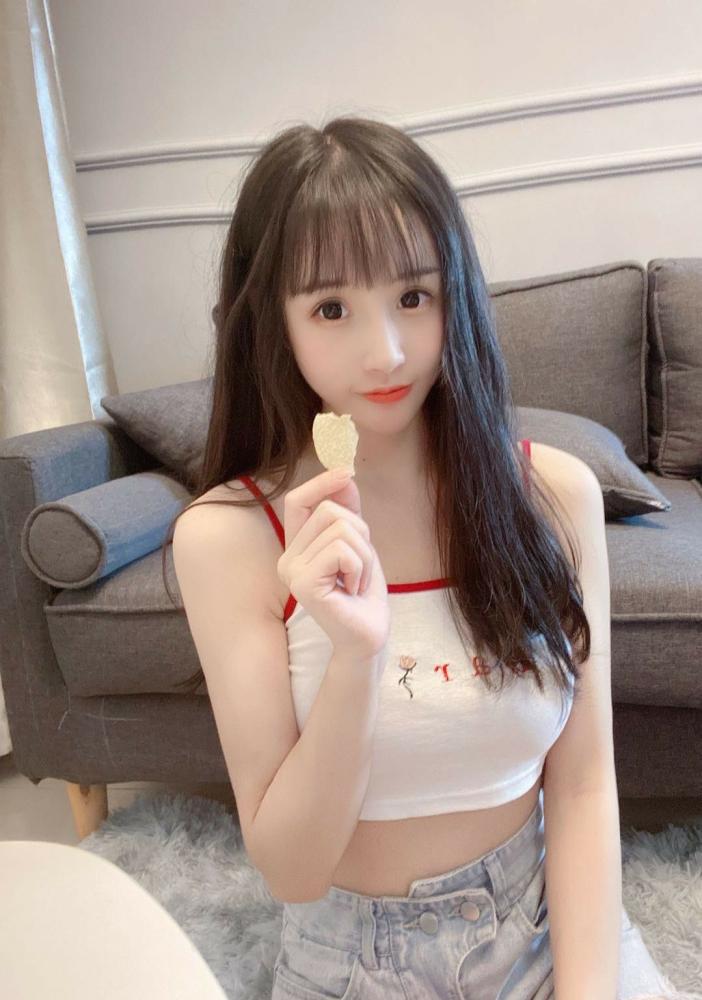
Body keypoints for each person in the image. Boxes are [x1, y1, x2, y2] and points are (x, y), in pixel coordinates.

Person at [165, 117, 677, 998]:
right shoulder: (228, 537)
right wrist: (356, 657)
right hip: (352, 961)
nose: (387, 352)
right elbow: (291, 869)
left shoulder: (554, 496)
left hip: (542, 926)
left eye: (414, 296)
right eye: (331, 309)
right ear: (272, 323)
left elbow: (584, 788)